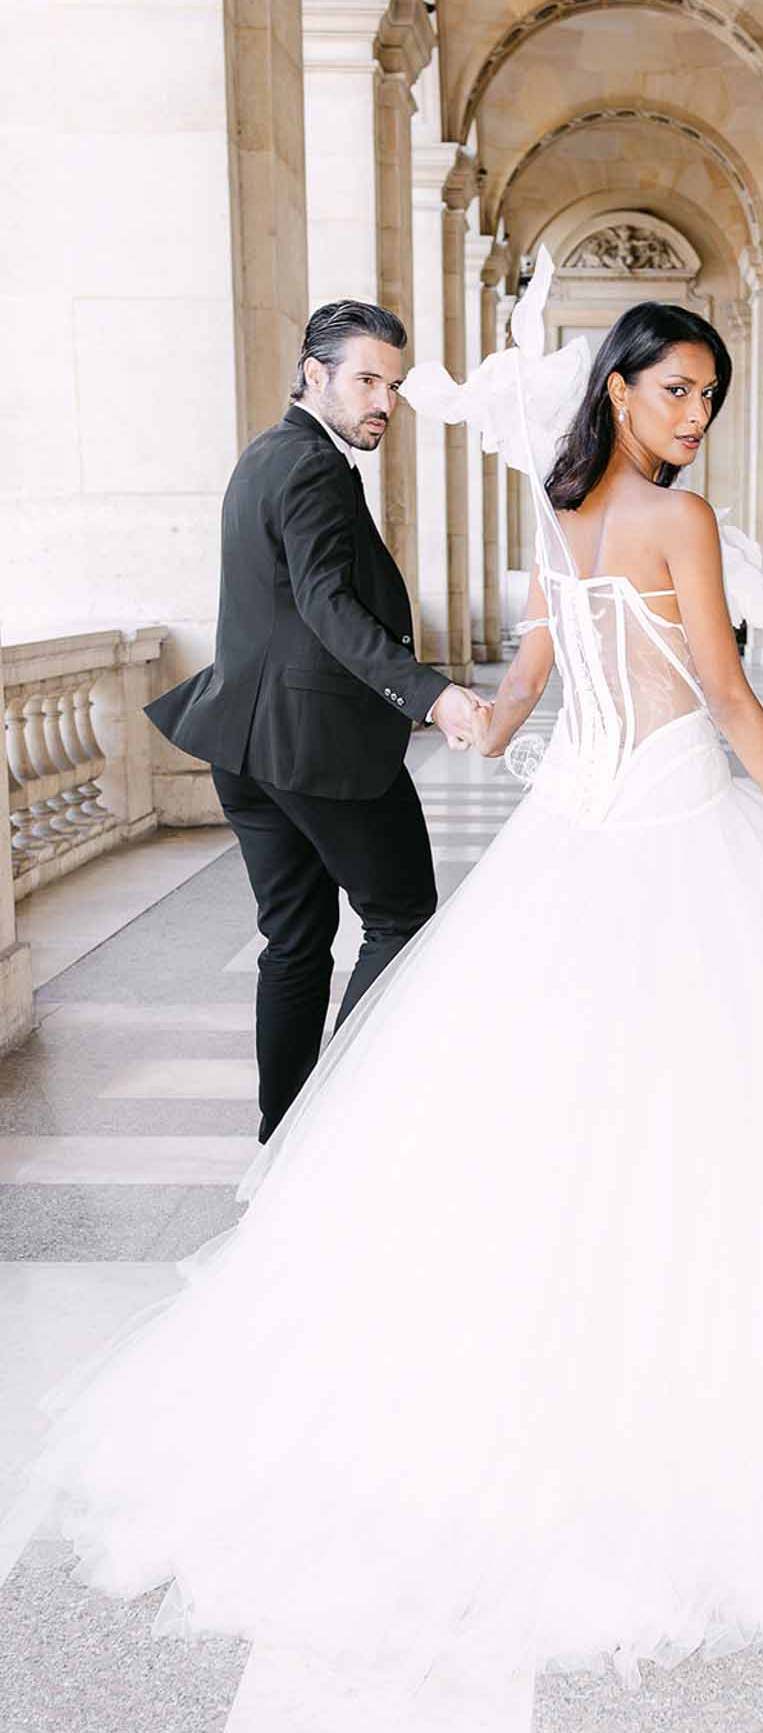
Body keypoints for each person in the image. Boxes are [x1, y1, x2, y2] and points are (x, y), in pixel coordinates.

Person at [9, 253, 763, 1684]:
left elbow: (539, 666)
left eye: (710, 395)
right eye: (675, 388)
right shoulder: (676, 518)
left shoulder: (563, 513)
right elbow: (724, 689)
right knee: (712, 1076)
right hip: (669, 811)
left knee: (537, 1063)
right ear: (619, 388)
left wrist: (485, 718)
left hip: (577, 817)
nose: (694, 415)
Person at [144, 300, 484, 1142]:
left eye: (392, 386)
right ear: (313, 374)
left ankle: (281, 1138)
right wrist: (430, 694)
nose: (384, 402)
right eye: (367, 380)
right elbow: (328, 605)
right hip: (317, 748)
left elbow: (289, 606)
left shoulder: (265, 454)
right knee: (399, 917)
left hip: (245, 745)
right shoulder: (315, 467)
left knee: (294, 941)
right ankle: (330, 1135)